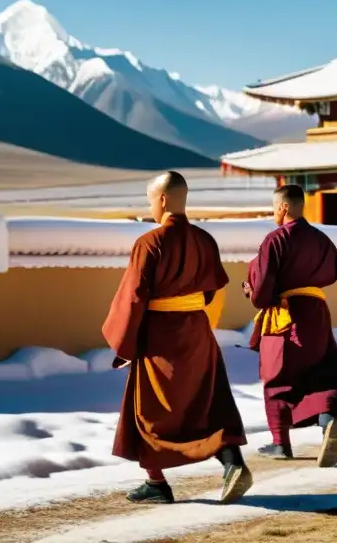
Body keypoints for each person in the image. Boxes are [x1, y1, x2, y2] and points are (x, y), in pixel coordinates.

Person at [103, 171, 252, 505]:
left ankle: (156, 482)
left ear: (164, 199)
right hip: (198, 331)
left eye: (151, 200)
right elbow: (213, 290)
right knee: (208, 402)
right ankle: (232, 462)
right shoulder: (205, 240)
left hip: (160, 337)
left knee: (149, 412)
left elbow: (133, 298)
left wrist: (125, 343)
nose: (151, 208)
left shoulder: (149, 243)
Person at [243, 184, 337, 466]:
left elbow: (262, 291)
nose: (274, 213)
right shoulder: (320, 238)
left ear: (284, 207)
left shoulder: (275, 240)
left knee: (279, 376)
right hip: (316, 310)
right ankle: (327, 421)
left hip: (286, 314)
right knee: (323, 369)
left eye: (275, 207)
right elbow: (336, 270)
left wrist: (252, 291)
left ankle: (281, 443)